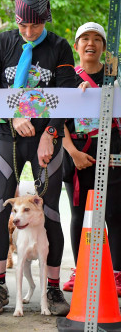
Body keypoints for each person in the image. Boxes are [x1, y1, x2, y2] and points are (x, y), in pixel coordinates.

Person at [0, 0, 78, 315]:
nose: (29, 32)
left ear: (45, 22)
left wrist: (50, 134)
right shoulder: (4, 43)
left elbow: (64, 95)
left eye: (36, 26)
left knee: (49, 210)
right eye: (24, 25)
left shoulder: (59, 47)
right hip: (8, 134)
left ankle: (52, 289)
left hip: (46, 136)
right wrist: (14, 114)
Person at [60, 22, 121, 296]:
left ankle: (117, 274)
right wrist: (72, 152)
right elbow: (56, 119)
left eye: (97, 39)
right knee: (79, 214)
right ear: (76, 46)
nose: (91, 44)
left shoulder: (115, 78)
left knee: (115, 214)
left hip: (113, 151)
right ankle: (79, 269)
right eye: (85, 38)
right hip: (79, 152)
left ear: (104, 48)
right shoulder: (68, 78)